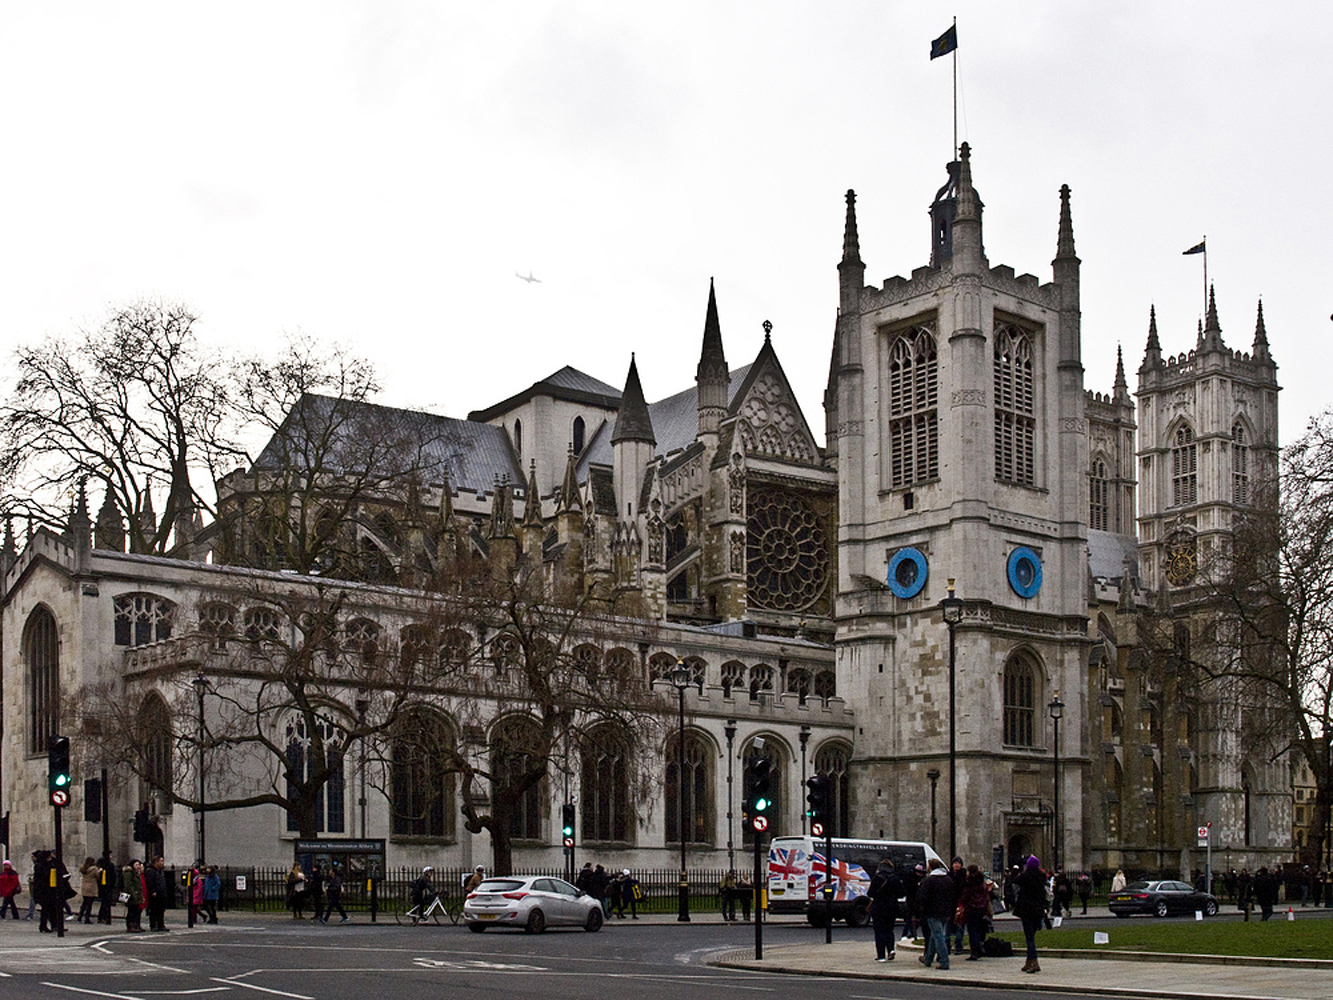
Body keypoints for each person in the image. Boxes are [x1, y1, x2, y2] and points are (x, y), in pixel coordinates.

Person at [916, 860, 956, 970]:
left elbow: (922, 897)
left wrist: (923, 908)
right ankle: (928, 959)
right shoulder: (948, 880)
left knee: (939, 936)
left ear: (930, 868)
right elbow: (953, 896)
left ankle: (944, 961)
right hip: (946, 912)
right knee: (935, 935)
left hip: (933, 912)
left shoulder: (929, 881)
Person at [1013, 855, 1048, 974]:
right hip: (1037, 910)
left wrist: (1017, 870)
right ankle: (1028, 961)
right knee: (1031, 936)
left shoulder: (1025, 876)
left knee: (1029, 938)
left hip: (1027, 909)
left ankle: (1034, 962)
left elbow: (1015, 880)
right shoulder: (1041, 877)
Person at [867, 858, 903, 962]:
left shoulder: (877, 878)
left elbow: (870, 893)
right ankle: (891, 949)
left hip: (878, 907)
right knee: (889, 929)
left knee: (879, 931)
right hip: (892, 907)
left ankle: (881, 955)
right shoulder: (895, 878)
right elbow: (901, 893)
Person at [959, 865, 991, 960]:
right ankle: (979, 947)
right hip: (981, 907)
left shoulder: (969, 882)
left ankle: (975, 950)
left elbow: (966, 895)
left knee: (972, 930)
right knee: (978, 929)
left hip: (971, 907)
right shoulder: (982, 881)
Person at [120, 859, 146, 932]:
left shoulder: (135, 873)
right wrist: (133, 894)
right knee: (131, 911)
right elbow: (128, 885)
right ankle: (130, 926)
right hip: (131, 895)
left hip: (136, 894)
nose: (138, 866)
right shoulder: (129, 873)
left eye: (139, 865)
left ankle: (135, 925)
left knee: (135, 911)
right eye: (136, 865)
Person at [947, 857, 966, 955]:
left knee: (960, 925)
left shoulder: (963, 875)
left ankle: (958, 946)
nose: (957, 865)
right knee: (949, 926)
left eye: (959, 863)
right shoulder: (949, 875)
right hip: (950, 902)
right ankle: (947, 946)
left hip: (960, 902)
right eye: (955, 863)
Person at [145, 856, 169, 931]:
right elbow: (150, 882)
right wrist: (153, 891)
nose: (162, 863)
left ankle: (160, 925)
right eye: (161, 861)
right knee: (154, 910)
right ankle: (153, 925)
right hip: (155, 893)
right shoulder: (150, 871)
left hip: (161, 893)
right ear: (156, 862)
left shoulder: (160, 871)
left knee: (161, 910)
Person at [96, 853, 118, 925]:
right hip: (105, 885)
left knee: (105, 902)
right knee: (105, 902)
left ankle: (103, 917)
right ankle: (103, 917)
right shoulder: (108, 865)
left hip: (104, 885)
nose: (111, 856)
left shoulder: (102, 865)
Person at [76, 857, 98, 924]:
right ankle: (87, 918)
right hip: (91, 887)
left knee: (84, 903)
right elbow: (97, 876)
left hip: (84, 886)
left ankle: (80, 916)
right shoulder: (94, 869)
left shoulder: (83, 869)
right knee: (89, 904)